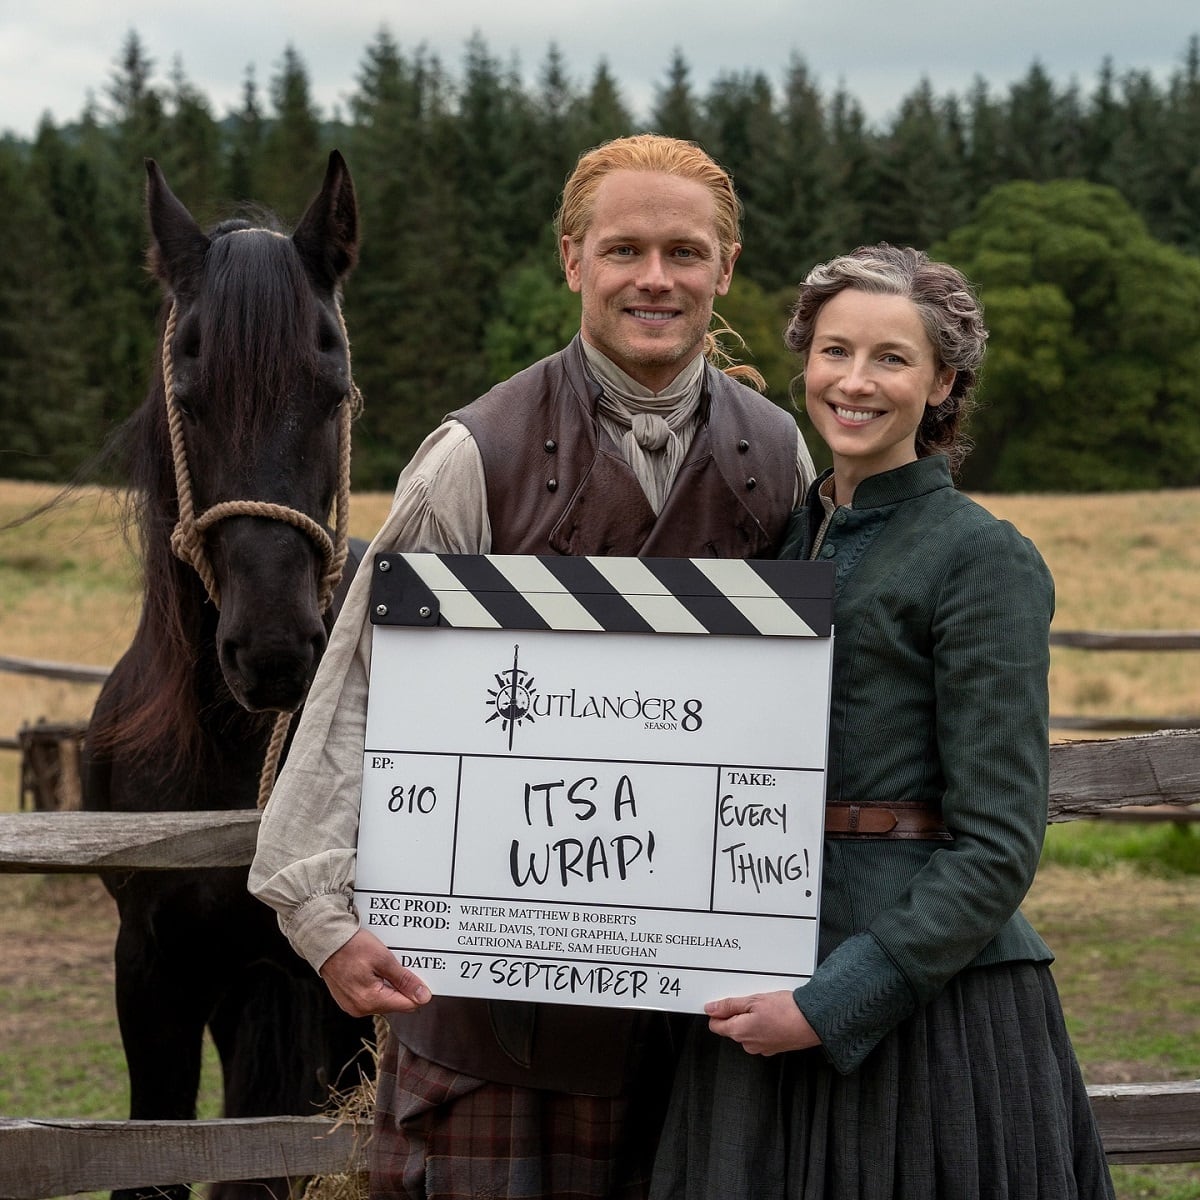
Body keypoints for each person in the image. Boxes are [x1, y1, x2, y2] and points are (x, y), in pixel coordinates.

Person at [249, 133, 816, 1200]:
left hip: (710, 1031)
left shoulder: (776, 452)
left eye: (686, 253)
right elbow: (363, 686)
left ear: (726, 268)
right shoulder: (477, 453)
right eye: (625, 250)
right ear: (573, 260)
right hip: (497, 1022)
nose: (657, 278)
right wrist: (318, 911)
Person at [649, 245, 1116, 1199]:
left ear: (944, 381)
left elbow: (997, 845)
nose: (855, 383)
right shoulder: (774, 545)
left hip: (923, 1018)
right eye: (833, 352)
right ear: (806, 364)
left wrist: (835, 1002)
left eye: (891, 359)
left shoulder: (982, 559)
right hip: (754, 980)